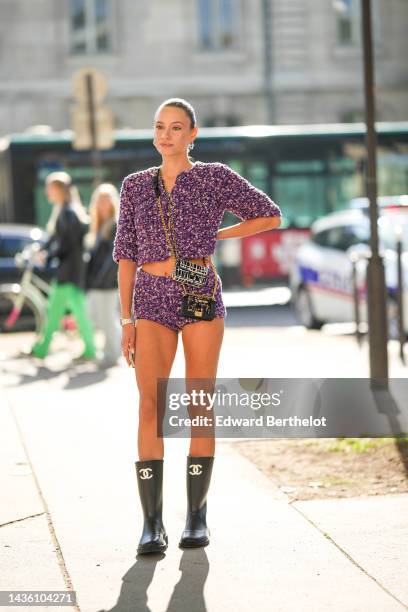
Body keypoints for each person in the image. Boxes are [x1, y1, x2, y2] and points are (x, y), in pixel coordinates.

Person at [113, 98, 282, 555]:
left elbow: (269, 214)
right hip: (149, 299)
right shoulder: (134, 186)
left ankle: (196, 517)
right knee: (150, 404)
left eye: (175, 127)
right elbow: (126, 257)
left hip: (200, 291)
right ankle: (151, 524)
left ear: (193, 134)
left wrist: (215, 238)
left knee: (198, 403)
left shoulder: (213, 177)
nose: (165, 135)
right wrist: (125, 319)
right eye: (159, 127)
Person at [31, 171, 96, 361]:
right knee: (78, 312)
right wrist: (44, 250)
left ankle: (43, 349)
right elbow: (54, 238)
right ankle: (91, 350)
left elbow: (65, 243)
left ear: (59, 189)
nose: (47, 193)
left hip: (68, 272)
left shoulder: (68, 212)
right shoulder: (65, 210)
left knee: (54, 312)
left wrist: (48, 255)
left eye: (50, 189)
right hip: (71, 270)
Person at [85, 183, 121, 368]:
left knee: (107, 319)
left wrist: (100, 279)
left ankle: (112, 355)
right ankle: (117, 345)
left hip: (108, 283)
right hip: (97, 283)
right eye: (99, 199)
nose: (103, 203)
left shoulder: (115, 225)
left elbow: (112, 259)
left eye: (106, 199)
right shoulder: (97, 226)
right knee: (97, 318)